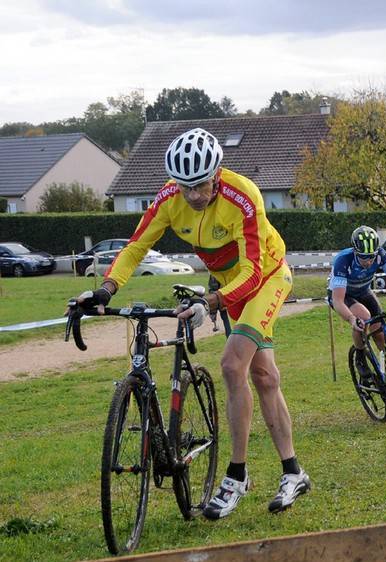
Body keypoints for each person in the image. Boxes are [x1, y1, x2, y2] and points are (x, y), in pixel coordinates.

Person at [75, 127, 311, 520]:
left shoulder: (244, 196)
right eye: (186, 187)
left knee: (233, 365)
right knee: (265, 376)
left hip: (266, 278)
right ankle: (294, 472)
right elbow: (135, 247)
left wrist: (213, 299)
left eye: (201, 185)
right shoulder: (170, 198)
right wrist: (107, 288)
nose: (194, 196)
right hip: (226, 284)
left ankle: (236, 477)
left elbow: (252, 271)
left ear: (217, 174)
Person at [328, 226, 386, 380]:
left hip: (363, 291)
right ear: (355, 252)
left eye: (371, 257)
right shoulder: (343, 260)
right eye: (363, 257)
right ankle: (360, 357)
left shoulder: (381, 255)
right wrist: (351, 319)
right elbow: (338, 301)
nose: (368, 261)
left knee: (380, 333)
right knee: (363, 316)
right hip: (342, 296)